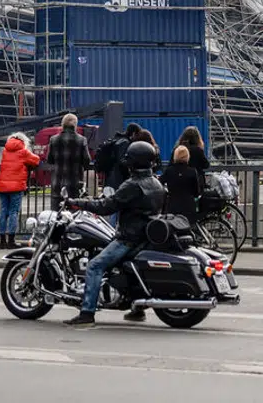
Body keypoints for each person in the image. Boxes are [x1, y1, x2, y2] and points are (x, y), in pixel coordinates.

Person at [64, 141, 166, 327]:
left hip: (129, 238)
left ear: (134, 162)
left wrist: (78, 203)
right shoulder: (156, 183)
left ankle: (87, 313)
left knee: (94, 266)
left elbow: (106, 206)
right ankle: (137, 309)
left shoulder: (133, 185)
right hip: (145, 235)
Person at [0, 131, 40, 248]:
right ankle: (11, 240)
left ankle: (2, 241)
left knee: (3, 211)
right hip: (16, 186)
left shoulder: (5, 151)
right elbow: (36, 160)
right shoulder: (23, 152)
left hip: (3, 186)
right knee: (13, 212)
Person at [47, 114, 92, 209]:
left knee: (56, 213)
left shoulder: (53, 139)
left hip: (57, 185)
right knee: (74, 214)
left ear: (62, 124)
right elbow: (87, 161)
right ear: (75, 125)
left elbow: (49, 160)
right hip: (74, 185)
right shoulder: (82, 140)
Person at [160, 145, 203, 222]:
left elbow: (160, 183)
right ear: (187, 156)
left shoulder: (169, 171)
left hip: (173, 206)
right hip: (188, 206)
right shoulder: (192, 171)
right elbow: (196, 192)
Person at [96, 123, 141, 192]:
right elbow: (121, 160)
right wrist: (133, 163)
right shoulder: (125, 142)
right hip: (117, 177)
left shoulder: (118, 139)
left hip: (111, 175)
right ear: (134, 133)